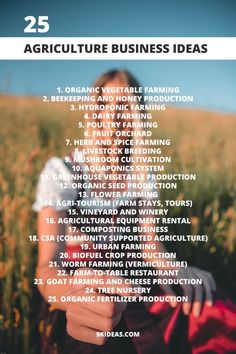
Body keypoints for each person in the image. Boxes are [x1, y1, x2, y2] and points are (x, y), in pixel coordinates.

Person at [33, 70, 236, 354]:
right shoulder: (63, 172)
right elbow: (47, 268)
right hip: (79, 292)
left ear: (137, 115)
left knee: (211, 307)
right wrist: (72, 296)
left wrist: (176, 268)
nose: (113, 117)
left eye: (124, 106)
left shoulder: (141, 175)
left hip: (132, 282)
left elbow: (151, 249)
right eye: (104, 105)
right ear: (93, 111)